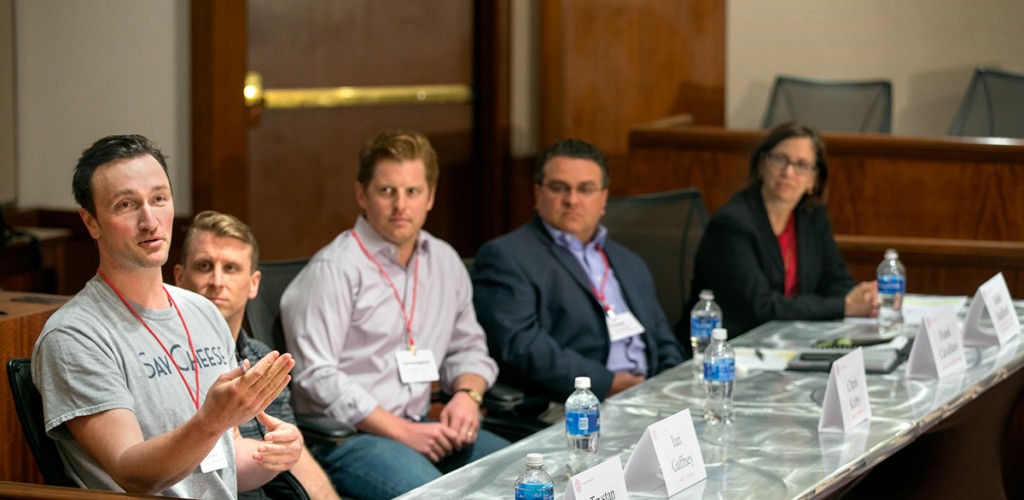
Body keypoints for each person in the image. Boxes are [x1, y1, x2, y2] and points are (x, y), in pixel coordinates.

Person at [32, 134, 296, 497]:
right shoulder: (74, 335)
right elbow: (133, 474)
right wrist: (211, 420)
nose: (150, 220)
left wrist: (278, 452)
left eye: (159, 199)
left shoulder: (203, 312)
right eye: (126, 204)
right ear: (91, 222)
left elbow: (221, 465)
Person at [280, 129, 508, 499]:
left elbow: (468, 347)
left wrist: (468, 395)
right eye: (387, 191)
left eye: (413, 192)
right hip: (351, 440)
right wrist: (402, 431)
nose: (401, 205)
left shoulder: (445, 261)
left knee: (526, 477)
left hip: (424, 426)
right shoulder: (334, 269)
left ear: (430, 197)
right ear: (362, 195)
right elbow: (315, 376)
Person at [472, 138, 686, 421]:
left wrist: (668, 384)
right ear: (538, 194)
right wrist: (606, 383)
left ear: (603, 198)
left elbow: (662, 337)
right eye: (560, 188)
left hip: (649, 399)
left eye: (585, 189)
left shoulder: (628, 261)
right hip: (573, 405)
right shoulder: (507, 257)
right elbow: (520, 346)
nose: (572, 199)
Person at [174, 210, 341, 500]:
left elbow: (293, 454)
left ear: (253, 284)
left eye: (230, 268)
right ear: (179, 277)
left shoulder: (263, 358)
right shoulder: (165, 360)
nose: (216, 281)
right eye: (204, 266)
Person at [689, 122, 877, 336]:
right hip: (734, 346)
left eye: (802, 165)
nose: (788, 172)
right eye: (780, 160)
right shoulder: (732, 225)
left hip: (791, 339)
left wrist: (864, 298)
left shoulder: (812, 216)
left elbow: (835, 279)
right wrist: (844, 306)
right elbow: (761, 307)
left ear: (813, 180)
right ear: (762, 165)